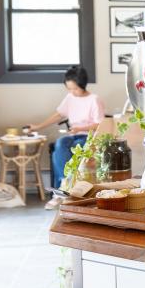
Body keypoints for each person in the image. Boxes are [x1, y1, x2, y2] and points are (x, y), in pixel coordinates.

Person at [26, 65, 104, 207]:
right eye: (69, 88)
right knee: (60, 144)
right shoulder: (70, 97)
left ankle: (62, 189)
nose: (72, 92)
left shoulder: (94, 99)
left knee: (76, 146)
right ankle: (64, 183)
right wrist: (38, 126)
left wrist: (80, 128)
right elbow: (58, 115)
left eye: (74, 88)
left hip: (89, 136)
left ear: (82, 84)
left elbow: (99, 124)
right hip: (73, 134)